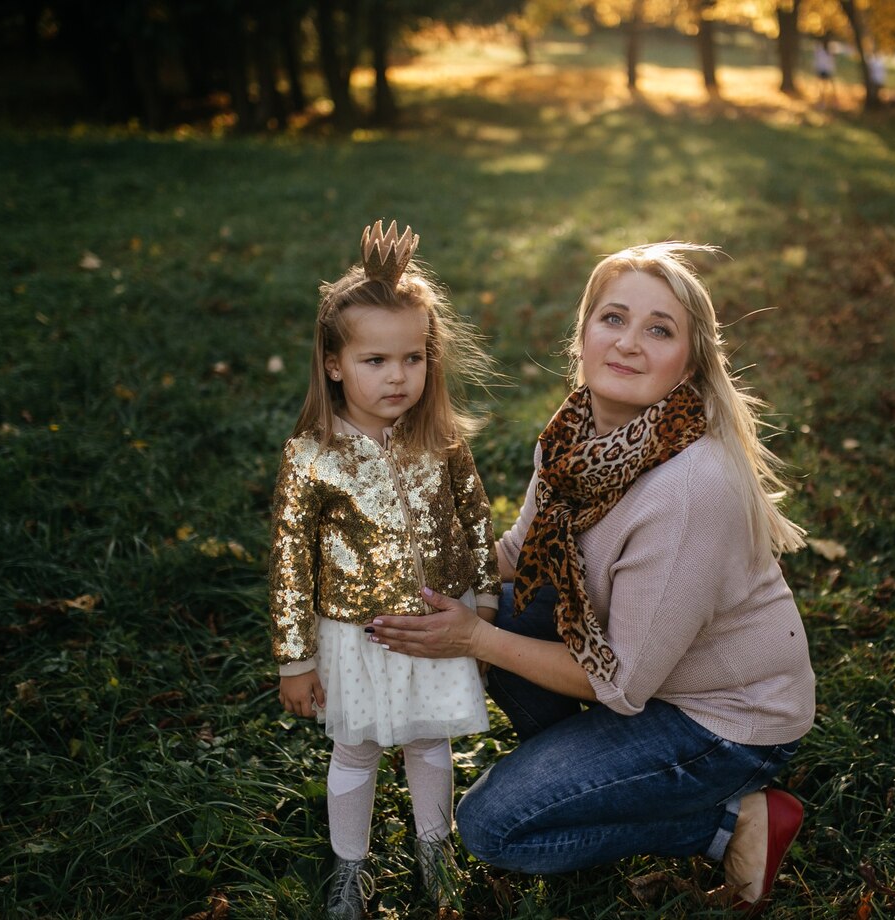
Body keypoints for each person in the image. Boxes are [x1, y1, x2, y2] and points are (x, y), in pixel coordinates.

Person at [367, 241, 817, 912]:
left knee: (494, 826)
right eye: (614, 318)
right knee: (509, 604)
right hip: (642, 672)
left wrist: (472, 639)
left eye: (659, 329)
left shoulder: (686, 491)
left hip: (723, 723)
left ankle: (728, 819)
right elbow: (520, 555)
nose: (630, 342)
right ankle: (596, 774)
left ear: (689, 363)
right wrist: (420, 583)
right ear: (582, 335)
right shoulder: (572, 436)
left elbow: (624, 683)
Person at [268, 221, 499, 918]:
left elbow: (477, 516)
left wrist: (483, 602)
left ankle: (437, 854)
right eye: (375, 360)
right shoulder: (312, 457)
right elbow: (289, 565)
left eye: (413, 358)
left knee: (430, 742)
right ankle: (349, 867)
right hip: (355, 635)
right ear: (335, 364)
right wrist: (293, 660)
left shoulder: (442, 441)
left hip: (435, 624)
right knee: (357, 749)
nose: (398, 376)